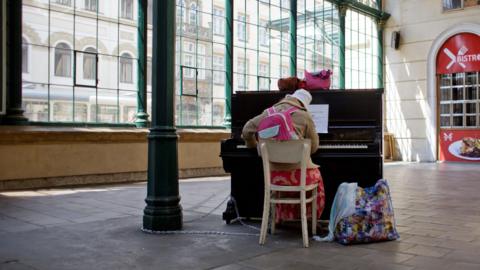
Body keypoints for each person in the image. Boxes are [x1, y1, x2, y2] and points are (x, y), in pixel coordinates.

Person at [242, 89, 325, 224]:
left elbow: (246, 130)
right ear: (303, 104)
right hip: (298, 175)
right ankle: (310, 221)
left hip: (274, 175)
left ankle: (279, 219)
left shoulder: (269, 112)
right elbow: (314, 148)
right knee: (317, 176)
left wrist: (253, 145)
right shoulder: (304, 116)